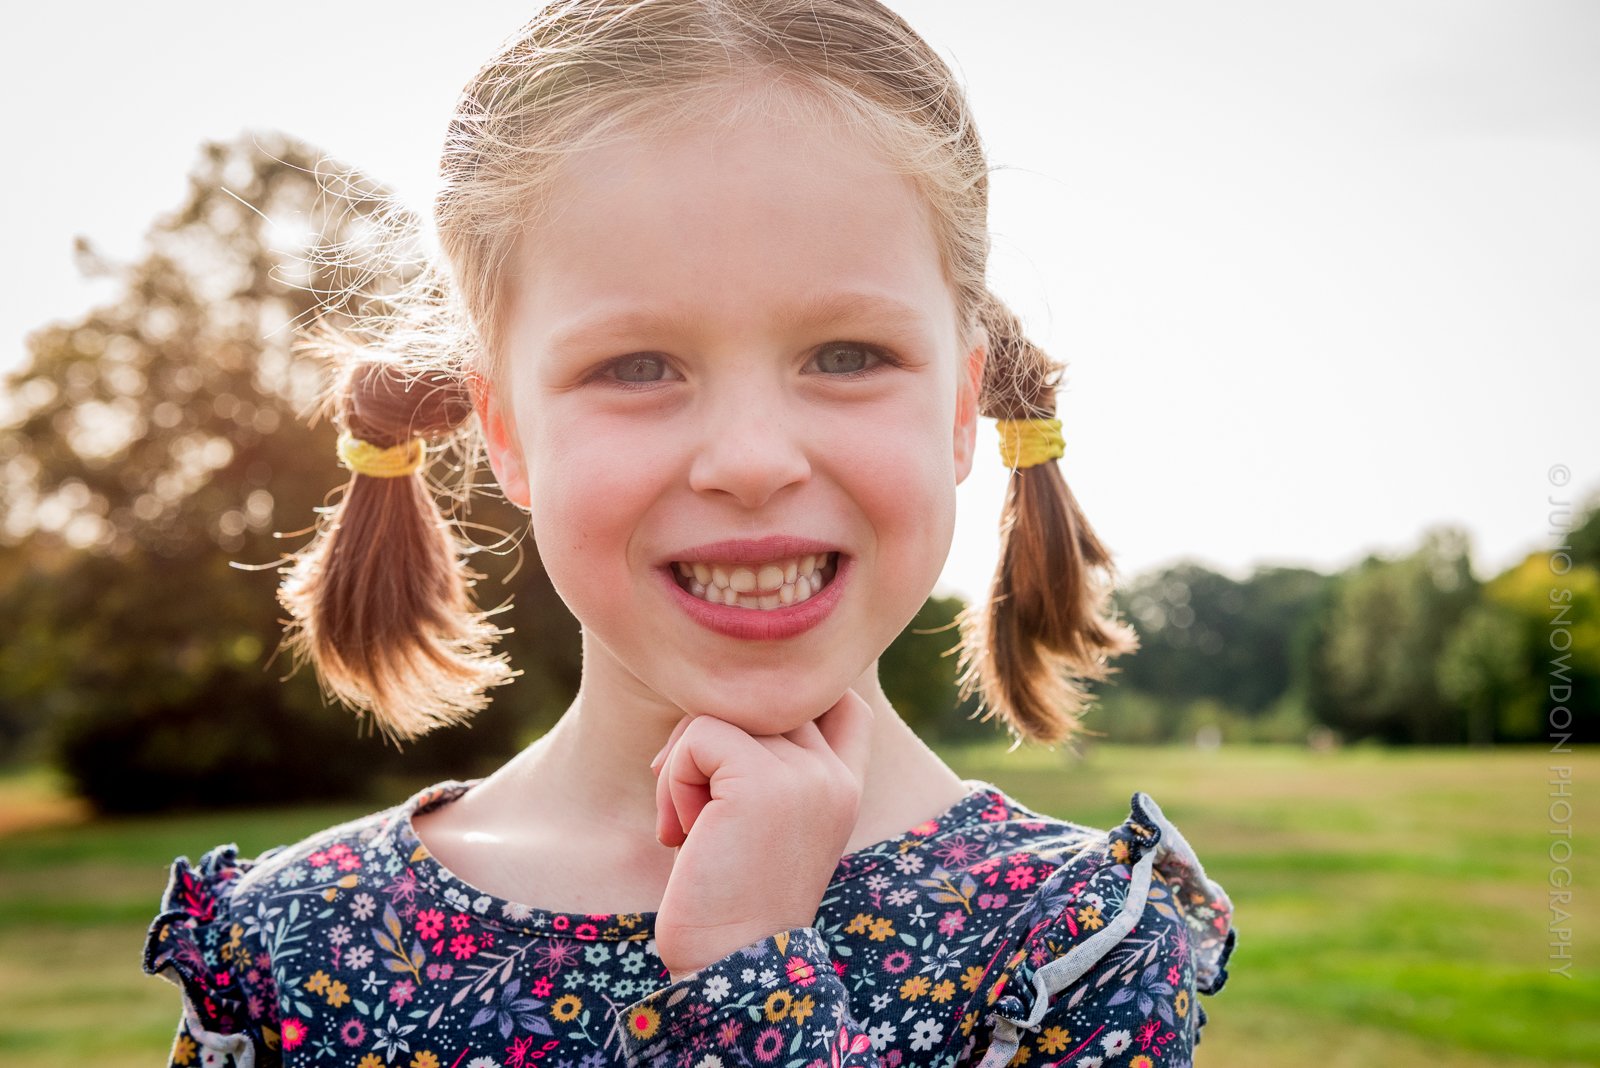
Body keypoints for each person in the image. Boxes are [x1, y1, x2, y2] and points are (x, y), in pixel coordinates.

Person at [140, 2, 1237, 1067]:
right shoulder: (290, 951)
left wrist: (746, 980)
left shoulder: (1075, 951)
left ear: (962, 411)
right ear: (506, 434)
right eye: (635, 367)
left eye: (846, 355)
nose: (751, 460)